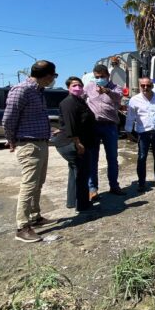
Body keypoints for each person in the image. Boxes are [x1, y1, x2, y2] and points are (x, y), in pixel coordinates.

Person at [2, 60, 59, 243]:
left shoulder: (38, 92)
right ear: (48, 76)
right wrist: (11, 140)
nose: (53, 80)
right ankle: (22, 227)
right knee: (28, 184)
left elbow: (34, 118)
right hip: (28, 145)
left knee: (38, 183)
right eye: (54, 76)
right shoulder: (22, 90)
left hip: (41, 143)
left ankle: (35, 217)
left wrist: (49, 132)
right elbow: (8, 118)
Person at [56, 77, 97, 213]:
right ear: (68, 87)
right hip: (72, 143)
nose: (77, 88)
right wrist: (78, 143)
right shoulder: (68, 103)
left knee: (75, 172)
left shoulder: (79, 101)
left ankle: (72, 201)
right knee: (81, 173)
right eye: (74, 85)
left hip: (79, 141)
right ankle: (82, 204)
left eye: (80, 85)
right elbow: (71, 125)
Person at [85, 64, 125, 199]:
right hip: (93, 126)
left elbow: (118, 98)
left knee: (112, 158)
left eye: (102, 76)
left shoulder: (116, 87)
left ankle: (114, 186)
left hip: (110, 126)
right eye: (97, 77)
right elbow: (79, 98)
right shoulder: (89, 86)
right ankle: (92, 188)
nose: (100, 79)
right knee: (92, 158)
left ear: (108, 76)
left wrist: (107, 91)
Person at [125, 76, 155, 192]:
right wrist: (128, 131)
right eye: (143, 85)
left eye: (148, 85)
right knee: (141, 157)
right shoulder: (134, 100)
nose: (146, 87)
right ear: (140, 86)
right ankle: (141, 183)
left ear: (152, 86)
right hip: (143, 133)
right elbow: (130, 117)